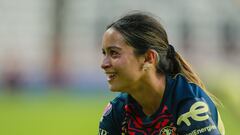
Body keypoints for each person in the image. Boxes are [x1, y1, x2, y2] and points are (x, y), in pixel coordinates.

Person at [99, 11, 225, 135]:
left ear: (149, 58)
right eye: (104, 53)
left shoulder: (189, 103)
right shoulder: (117, 111)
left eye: (114, 53)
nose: (104, 64)